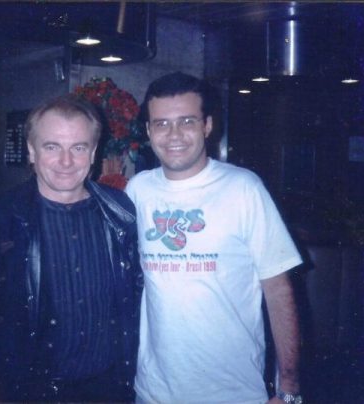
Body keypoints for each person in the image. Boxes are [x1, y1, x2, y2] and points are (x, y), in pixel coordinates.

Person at [0, 94, 142, 402]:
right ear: (31, 151)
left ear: (93, 152)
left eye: (78, 147)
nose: (66, 161)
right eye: (52, 147)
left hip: (110, 393)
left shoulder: (120, 212)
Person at [125, 72, 303, 404]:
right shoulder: (138, 190)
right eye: (162, 124)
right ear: (148, 131)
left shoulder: (243, 188)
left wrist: (289, 389)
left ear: (207, 126)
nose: (174, 135)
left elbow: (278, 290)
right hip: (153, 392)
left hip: (234, 393)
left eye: (187, 121)